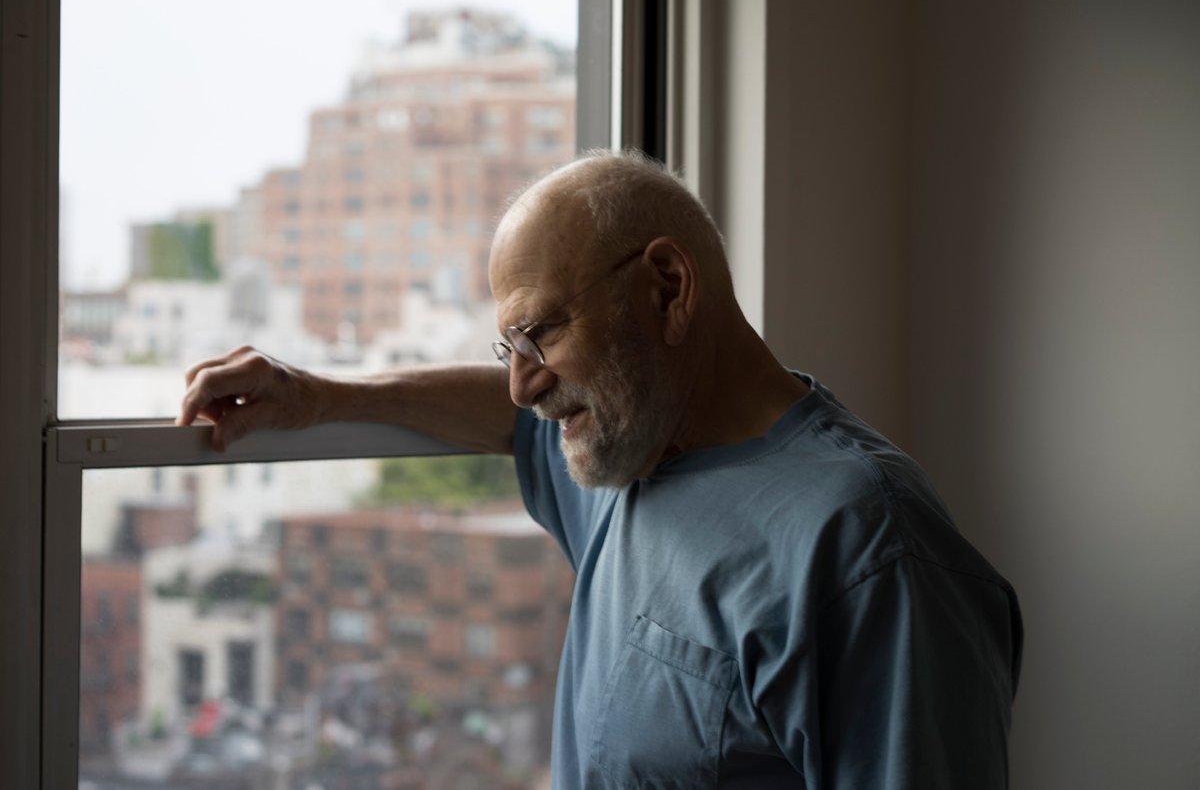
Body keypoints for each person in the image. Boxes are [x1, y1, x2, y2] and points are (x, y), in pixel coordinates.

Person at [179, 150, 1022, 789]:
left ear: (665, 286)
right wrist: (315, 394)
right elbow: (505, 414)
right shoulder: (624, 452)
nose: (522, 379)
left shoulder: (869, 552)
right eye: (508, 347)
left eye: (541, 332)